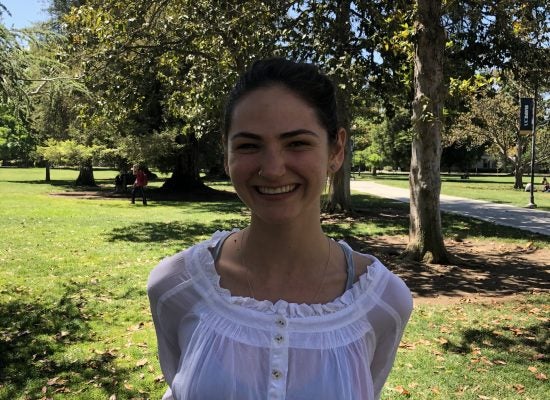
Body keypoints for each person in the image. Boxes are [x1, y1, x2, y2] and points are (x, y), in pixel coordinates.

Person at [147, 58, 413, 400]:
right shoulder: (175, 285)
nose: (272, 169)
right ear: (226, 153)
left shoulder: (383, 302)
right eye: (248, 145)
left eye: (297, 143)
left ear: (336, 150)